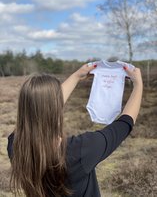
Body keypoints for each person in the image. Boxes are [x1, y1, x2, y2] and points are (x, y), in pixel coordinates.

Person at [7, 63, 143, 197]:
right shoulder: (81, 150)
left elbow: (39, 111)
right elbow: (124, 124)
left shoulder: (15, 145)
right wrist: (138, 85)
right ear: (56, 109)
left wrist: (77, 76)